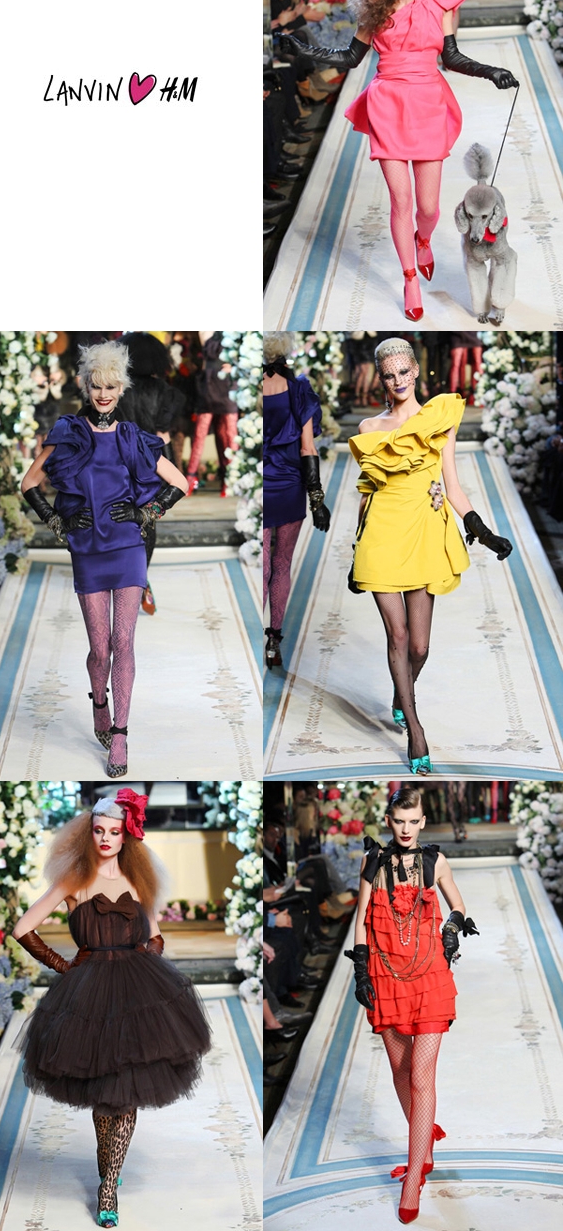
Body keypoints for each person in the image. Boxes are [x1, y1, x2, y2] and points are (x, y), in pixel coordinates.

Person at [282, 0, 518, 322]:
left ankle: (423, 241)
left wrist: (492, 72)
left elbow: (452, 57)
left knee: (428, 209)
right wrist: (305, 49)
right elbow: (350, 57)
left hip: (427, 103)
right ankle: (410, 279)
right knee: (401, 201)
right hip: (388, 104)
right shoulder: (374, 8)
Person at [13, 789, 211, 1229]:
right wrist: (64, 966)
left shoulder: (138, 881)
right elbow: (23, 927)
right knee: (103, 1092)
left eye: (114, 832)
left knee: (127, 1092)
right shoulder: (74, 880)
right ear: (89, 833)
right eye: (99, 830)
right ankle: (108, 1165)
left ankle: (108, 1186)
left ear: (127, 837)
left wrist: (146, 965)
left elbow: (155, 936)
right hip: (89, 995)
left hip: (136, 993)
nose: (105, 838)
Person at [21, 340, 188, 778]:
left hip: (128, 547)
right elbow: (29, 483)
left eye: (111, 386)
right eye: (96, 385)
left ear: (121, 388)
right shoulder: (69, 432)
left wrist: (145, 514)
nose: (103, 394)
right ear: (86, 385)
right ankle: (99, 704)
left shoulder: (132, 435)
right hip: (88, 549)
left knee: (123, 643)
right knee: (100, 648)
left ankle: (120, 734)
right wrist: (56, 521)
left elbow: (181, 482)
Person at [348, 337, 512, 774]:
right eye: (389, 375)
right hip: (382, 536)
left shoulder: (439, 419)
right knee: (398, 638)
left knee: (419, 648)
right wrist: (357, 550)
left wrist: (482, 530)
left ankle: (400, 695)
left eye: (404, 371)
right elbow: (367, 493)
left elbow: (452, 485)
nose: (398, 380)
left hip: (423, 531)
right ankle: (415, 729)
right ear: (381, 379)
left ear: (416, 370)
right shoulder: (369, 428)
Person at [345, 785, 479, 1223]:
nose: (406, 829)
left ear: (423, 822)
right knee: (401, 1071)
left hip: (430, 976)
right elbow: (362, 920)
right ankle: (425, 1144)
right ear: (389, 821)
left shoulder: (435, 862)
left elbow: (458, 904)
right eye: (399, 821)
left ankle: (413, 1176)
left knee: (421, 1075)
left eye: (413, 821)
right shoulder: (373, 862)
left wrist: (452, 928)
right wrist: (361, 971)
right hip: (386, 975)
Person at [263, 332, 331, 670]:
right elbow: (308, 447)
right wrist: (316, 500)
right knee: (281, 564)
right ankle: (273, 640)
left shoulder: (248, 387)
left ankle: (254, 635)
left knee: (263, 564)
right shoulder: (299, 388)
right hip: (290, 483)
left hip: (261, 484)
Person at [117, 333, 185, 615]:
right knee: (147, 524)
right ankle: (140, 579)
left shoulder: (117, 389)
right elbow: (162, 435)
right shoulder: (165, 392)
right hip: (151, 467)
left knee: (117, 522)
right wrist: (170, 474)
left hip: (117, 464)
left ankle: (128, 581)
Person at [185, 331, 239, 497]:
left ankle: (231, 478)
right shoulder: (207, 331)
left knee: (228, 434)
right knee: (199, 434)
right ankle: (190, 478)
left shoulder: (236, 331)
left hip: (227, 384)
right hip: (209, 384)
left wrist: (235, 367)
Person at [448, 330, 483, 403]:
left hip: (474, 336)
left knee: (476, 364)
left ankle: (478, 391)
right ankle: (454, 392)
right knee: (457, 365)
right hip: (459, 337)